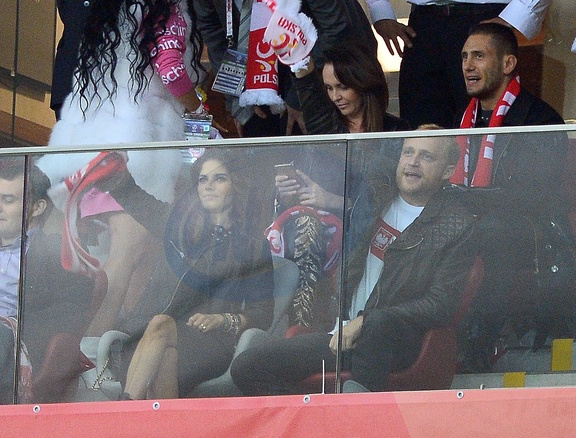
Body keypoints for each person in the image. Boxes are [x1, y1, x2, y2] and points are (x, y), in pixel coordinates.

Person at [231, 127, 476, 394]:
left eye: (426, 156)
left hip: (395, 341)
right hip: (345, 334)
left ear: (448, 170)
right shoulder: (375, 197)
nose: (413, 162)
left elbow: (440, 305)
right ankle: (318, 418)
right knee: (247, 367)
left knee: (378, 327)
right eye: (408, 152)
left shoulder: (456, 225)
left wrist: (367, 321)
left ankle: (359, 414)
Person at [42, 0, 210, 337]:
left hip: (91, 146)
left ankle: (104, 345)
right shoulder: (166, 9)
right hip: (137, 152)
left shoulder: (109, 12)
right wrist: (199, 108)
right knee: (126, 254)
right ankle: (88, 348)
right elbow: (170, 67)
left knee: (114, 255)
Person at [94, 150, 274, 399]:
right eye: (202, 179)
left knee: (161, 327)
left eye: (219, 178)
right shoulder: (179, 226)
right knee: (166, 354)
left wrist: (222, 319)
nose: (208, 186)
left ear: (236, 185)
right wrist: (113, 169)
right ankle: (155, 421)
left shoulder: (253, 246)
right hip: (150, 341)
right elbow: (136, 199)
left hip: (210, 343)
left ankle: (125, 411)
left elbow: (262, 314)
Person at [267, 39, 410, 328]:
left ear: (364, 83)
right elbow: (303, 198)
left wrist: (332, 201)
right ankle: (302, 327)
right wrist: (288, 193)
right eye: (329, 88)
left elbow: (392, 203)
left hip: (372, 236)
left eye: (342, 87)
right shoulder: (323, 130)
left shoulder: (397, 132)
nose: (335, 97)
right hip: (319, 238)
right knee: (305, 225)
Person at [452, 23, 568, 370]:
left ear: (507, 64)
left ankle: (479, 343)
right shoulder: (462, 118)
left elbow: (534, 196)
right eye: (464, 57)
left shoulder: (540, 118)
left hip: (531, 232)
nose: (468, 66)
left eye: (478, 56)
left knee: (491, 230)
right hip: (474, 222)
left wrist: (469, 206)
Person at [0, 164, 93, 405]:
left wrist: (7, 321)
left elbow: (73, 308)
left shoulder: (56, 254)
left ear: (37, 207)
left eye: (7, 200)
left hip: (7, 345)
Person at [194, 0, 379, 137]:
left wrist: (299, 96)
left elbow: (335, 30)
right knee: (258, 142)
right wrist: (236, 97)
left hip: (318, 64)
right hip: (254, 68)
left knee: (308, 147)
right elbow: (214, 34)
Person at [363, 0, 551, 129]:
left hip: (487, 16)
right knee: (421, 130)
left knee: (489, 125)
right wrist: (380, 10)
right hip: (423, 25)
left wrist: (516, 16)